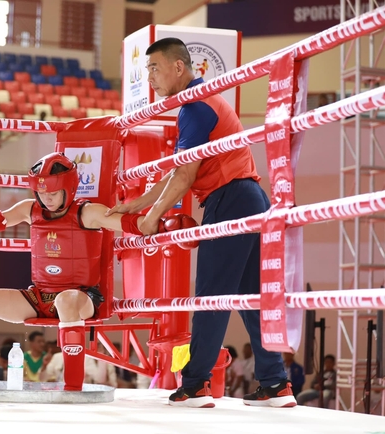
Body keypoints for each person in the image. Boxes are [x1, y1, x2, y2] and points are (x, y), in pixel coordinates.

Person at [105, 37, 296, 408]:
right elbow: (177, 172)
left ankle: (195, 384)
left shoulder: (193, 106)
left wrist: (150, 219)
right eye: (146, 71)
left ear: (179, 67)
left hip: (230, 199)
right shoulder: (200, 101)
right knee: (250, 296)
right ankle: (275, 383)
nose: (150, 78)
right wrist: (137, 205)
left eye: (155, 68)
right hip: (251, 198)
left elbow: (184, 176)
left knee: (211, 294)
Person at [0, 152, 198, 391]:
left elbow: (136, 225)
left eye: (52, 192)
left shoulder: (87, 212)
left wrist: (168, 226)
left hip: (81, 297)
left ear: (69, 188)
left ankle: (73, 389)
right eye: (41, 192)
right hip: (39, 296)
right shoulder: (28, 209)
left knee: (66, 301)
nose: (46, 198)